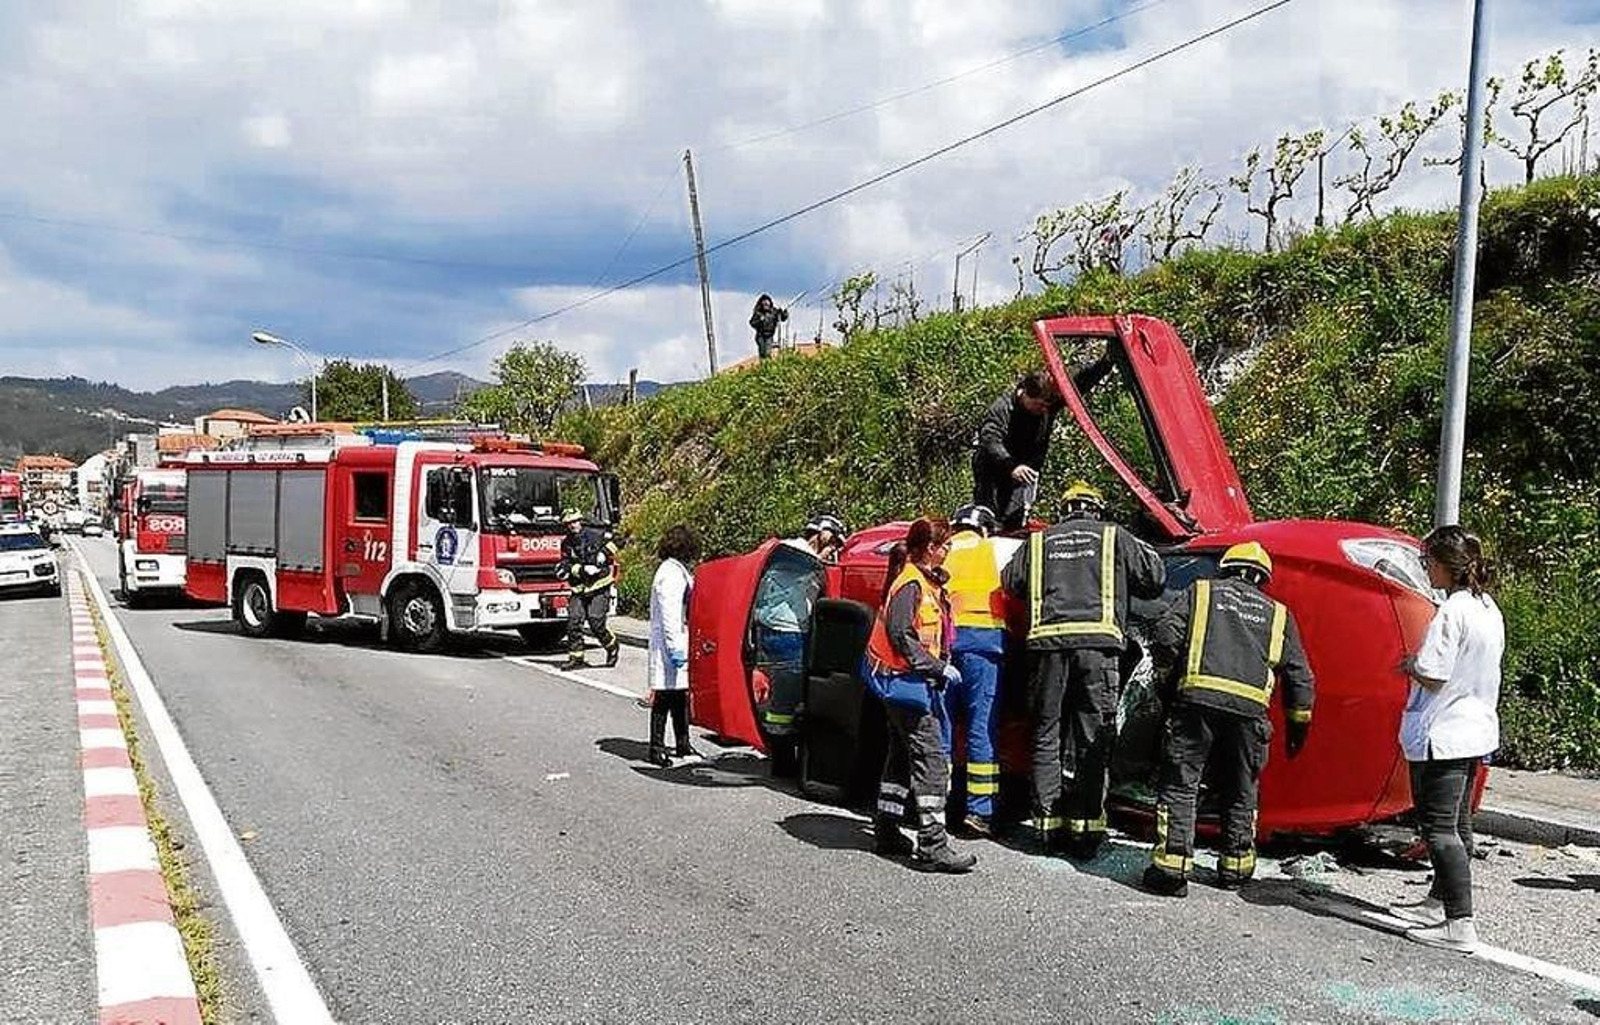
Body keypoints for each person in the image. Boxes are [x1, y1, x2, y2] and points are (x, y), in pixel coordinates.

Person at [1142, 542, 1315, 897]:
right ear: (1262, 579)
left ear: (1225, 568)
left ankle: (1171, 870)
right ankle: (1235, 870)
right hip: (1250, 715)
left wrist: (1167, 680)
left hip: (1195, 705)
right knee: (1241, 789)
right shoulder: (1279, 614)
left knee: (1181, 784)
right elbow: (1299, 675)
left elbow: (1164, 635)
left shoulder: (1201, 592)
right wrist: (1298, 724)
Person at [1002, 481, 1165, 858]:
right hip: (1098, 650)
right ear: (1097, 509)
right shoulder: (1114, 537)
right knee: (1094, 738)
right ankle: (1087, 830)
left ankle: (1047, 827)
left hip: (1046, 650)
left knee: (1046, 734)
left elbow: (1011, 581)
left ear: (1064, 510)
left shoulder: (1039, 542)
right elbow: (1154, 579)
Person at [1388, 526, 1503, 953]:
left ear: (1443, 565)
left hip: (1444, 732)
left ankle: (1460, 924)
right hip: (1474, 729)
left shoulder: (1452, 611)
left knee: (1439, 830)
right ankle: (1438, 903)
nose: (1426, 571)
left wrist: (1409, 665)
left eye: (1427, 563)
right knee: (1459, 825)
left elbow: (1435, 674)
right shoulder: (1487, 608)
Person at [863, 517, 976, 874]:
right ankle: (933, 844)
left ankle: (887, 828)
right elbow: (901, 633)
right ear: (931, 548)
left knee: (900, 756)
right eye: (946, 546)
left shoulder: (921, 581)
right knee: (931, 759)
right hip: (905, 682)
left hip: (904, 683)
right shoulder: (911, 583)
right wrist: (935, 667)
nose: (949, 552)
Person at [971, 354, 1115, 530]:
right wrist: (1011, 466)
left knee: (1014, 520)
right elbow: (990, 439)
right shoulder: (1002, 408)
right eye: (1039, 405)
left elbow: (1080, 383)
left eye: (1047, 406)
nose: (1044, 410)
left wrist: (1106, 362)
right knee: (988, 516)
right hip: (995, 468)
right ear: (1024, 394)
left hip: (1024, 470)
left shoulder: (1048, 403)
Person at [750, 514, 850, 746]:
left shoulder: (779, 552)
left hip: (764, 629)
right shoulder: (801, 556)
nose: (834, 548)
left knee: (774, 688)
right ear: (823, 534)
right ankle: (780, 742)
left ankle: (768, 731)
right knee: (788, 694)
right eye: (834, 541)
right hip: (790, 634)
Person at [942, 504, 1007, 837]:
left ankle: (934, 805)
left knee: (944, 727)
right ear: (986, 528)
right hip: (984, 646)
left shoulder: (943, 549)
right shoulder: (996, 548)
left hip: (946, 646)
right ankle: (979, 813)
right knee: (981, 727)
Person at [646, 525, 702, 767]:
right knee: (664, 698)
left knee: (679, 696)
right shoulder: (670, 574)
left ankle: (682, 743)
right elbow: (669, 615)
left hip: (678, 638)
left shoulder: (676, 570)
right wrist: (675, 648)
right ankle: (656, 748)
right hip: (671, 642)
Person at [556, 509, 620, 669]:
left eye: (575, 521)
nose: (573, 525)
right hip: (579, 588)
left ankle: (612, 647)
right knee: (574, 622)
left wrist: (604, 553)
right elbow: (565, 565)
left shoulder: (596, 534)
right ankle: (576, 657)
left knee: (596, 622)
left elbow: (619, 540)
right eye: (569, 523)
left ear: (580, 521)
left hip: (599, 585)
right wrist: (582, 570)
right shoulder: (566, 544)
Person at [749, 294, 789, 361]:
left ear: (770, 303)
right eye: (764, 303)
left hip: (769, 335)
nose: (766, 305)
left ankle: (768, 364)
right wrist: (759, 320)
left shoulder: (774, 312)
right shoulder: (758, 313)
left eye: (767, 303)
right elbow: (752, 323)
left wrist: (784, 312)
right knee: (762, 352)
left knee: (767, 352)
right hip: (760, 335)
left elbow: (783, 318)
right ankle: (763, 366)